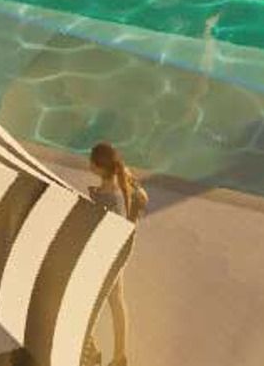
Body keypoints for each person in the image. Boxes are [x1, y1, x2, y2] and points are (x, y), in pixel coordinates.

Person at [87, 142, 148, 365]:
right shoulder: (125, 181)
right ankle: (119, 356)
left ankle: (90, 352)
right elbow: (142, 199)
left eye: (91, 160)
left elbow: (102, 230)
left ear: (99, 167)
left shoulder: (107, 197)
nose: (89, 163)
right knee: (115, 302)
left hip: (108, 255)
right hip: (120, 251)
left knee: (89, 300)